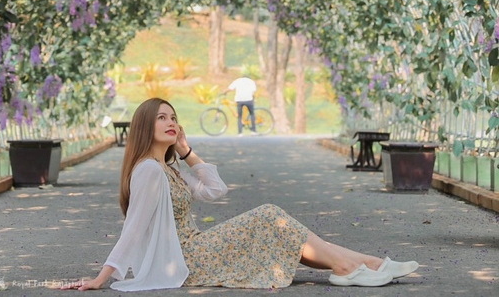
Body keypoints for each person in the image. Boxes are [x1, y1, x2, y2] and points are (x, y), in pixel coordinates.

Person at [62, 98, 420, 291]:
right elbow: (134, 229)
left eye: (173, 117)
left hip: (193, 251)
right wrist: (101, 278)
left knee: (277, 227)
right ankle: (354, 266)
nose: (171, 122)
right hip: (186, 261)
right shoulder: (148, 171)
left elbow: (215, 190)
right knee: (268, 216)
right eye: (161, 118)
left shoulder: (167, 168)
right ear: (145, 127)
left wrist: (187, 153)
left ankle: (364, 264)